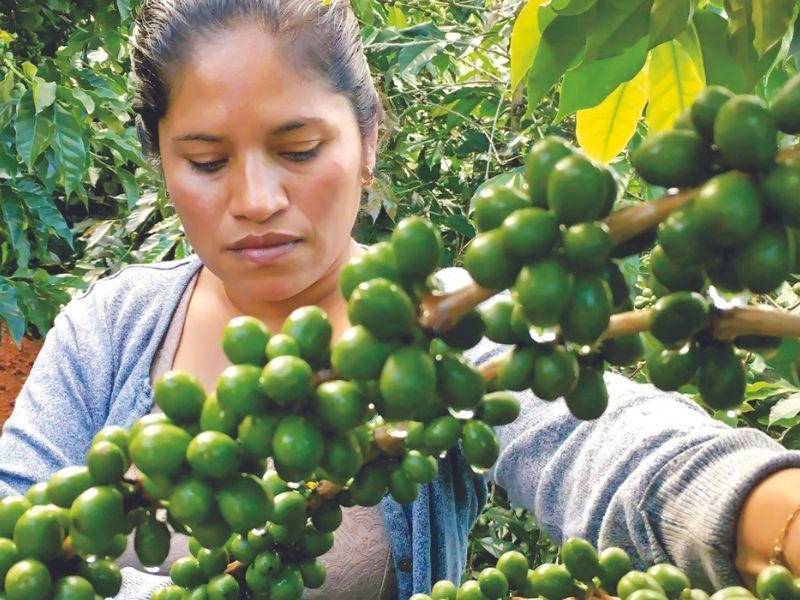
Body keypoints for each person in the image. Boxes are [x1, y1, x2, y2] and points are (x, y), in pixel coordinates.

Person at [1, 1, 800, 598]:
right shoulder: (110, 328)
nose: (256, 200)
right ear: (160, 159)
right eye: (207, 162)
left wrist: (771, 513)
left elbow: (599, 440)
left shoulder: (447, 324)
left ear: (368, 138)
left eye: (298, 149)